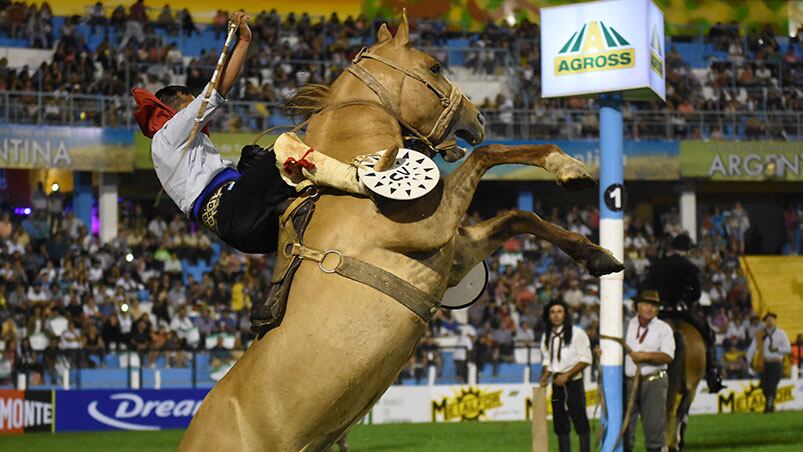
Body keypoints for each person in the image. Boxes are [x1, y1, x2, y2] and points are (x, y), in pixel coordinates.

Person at [132, 11, 294, 254]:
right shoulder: (169, 133)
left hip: (239, 229)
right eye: (189, 104)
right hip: (230, 207)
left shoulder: (176, 145)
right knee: (285, 148)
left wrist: (242, 172)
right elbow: (217, 89)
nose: (195, 108)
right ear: (173, 109)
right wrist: (244, 41)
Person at [644, 233, 724, 392]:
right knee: (708, 335)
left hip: (661, 313)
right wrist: (686, 301)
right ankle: (712, 373)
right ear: (687, 250)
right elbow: (696, 294)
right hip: (682, 312)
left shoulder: (658, 265)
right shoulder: (691, 267)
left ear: (672, 247)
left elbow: (647, 288)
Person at [623, 290, 675, 452]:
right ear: (638, 305)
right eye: (646, 304)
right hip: (630, 382)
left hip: (654, 382)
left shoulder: (664, 329)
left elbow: (668, 356)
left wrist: (645, 356)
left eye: (654, 305)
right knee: (626, 431)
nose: (649, 308)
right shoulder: (626, 325)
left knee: (654, 431)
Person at [539, 300, 591, 452]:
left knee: (579, 418)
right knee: (559, 421)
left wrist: (567, 375)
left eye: (559, 311)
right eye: (552, 312)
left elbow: (585, 359)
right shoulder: (546, 336)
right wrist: (545, 375)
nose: (556, 315)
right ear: (548, 315)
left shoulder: (577, 333)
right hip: (556, 382)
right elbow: (548, 359)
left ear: (565, 314)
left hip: (573, 381)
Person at [746, 312, 791, 413]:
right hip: (764, 362)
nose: (769, 321)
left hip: (776, 362)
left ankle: (769, 404)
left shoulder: (781, 333)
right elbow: (752, 348)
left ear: (774, 321)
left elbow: (788, 349)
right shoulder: (760, 334)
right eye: (767, 319)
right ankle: (769, 403)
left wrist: (777, 349)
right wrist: (748, 360)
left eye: (771, 319)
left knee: (772, 384)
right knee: (764, 385)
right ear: (765, 321)